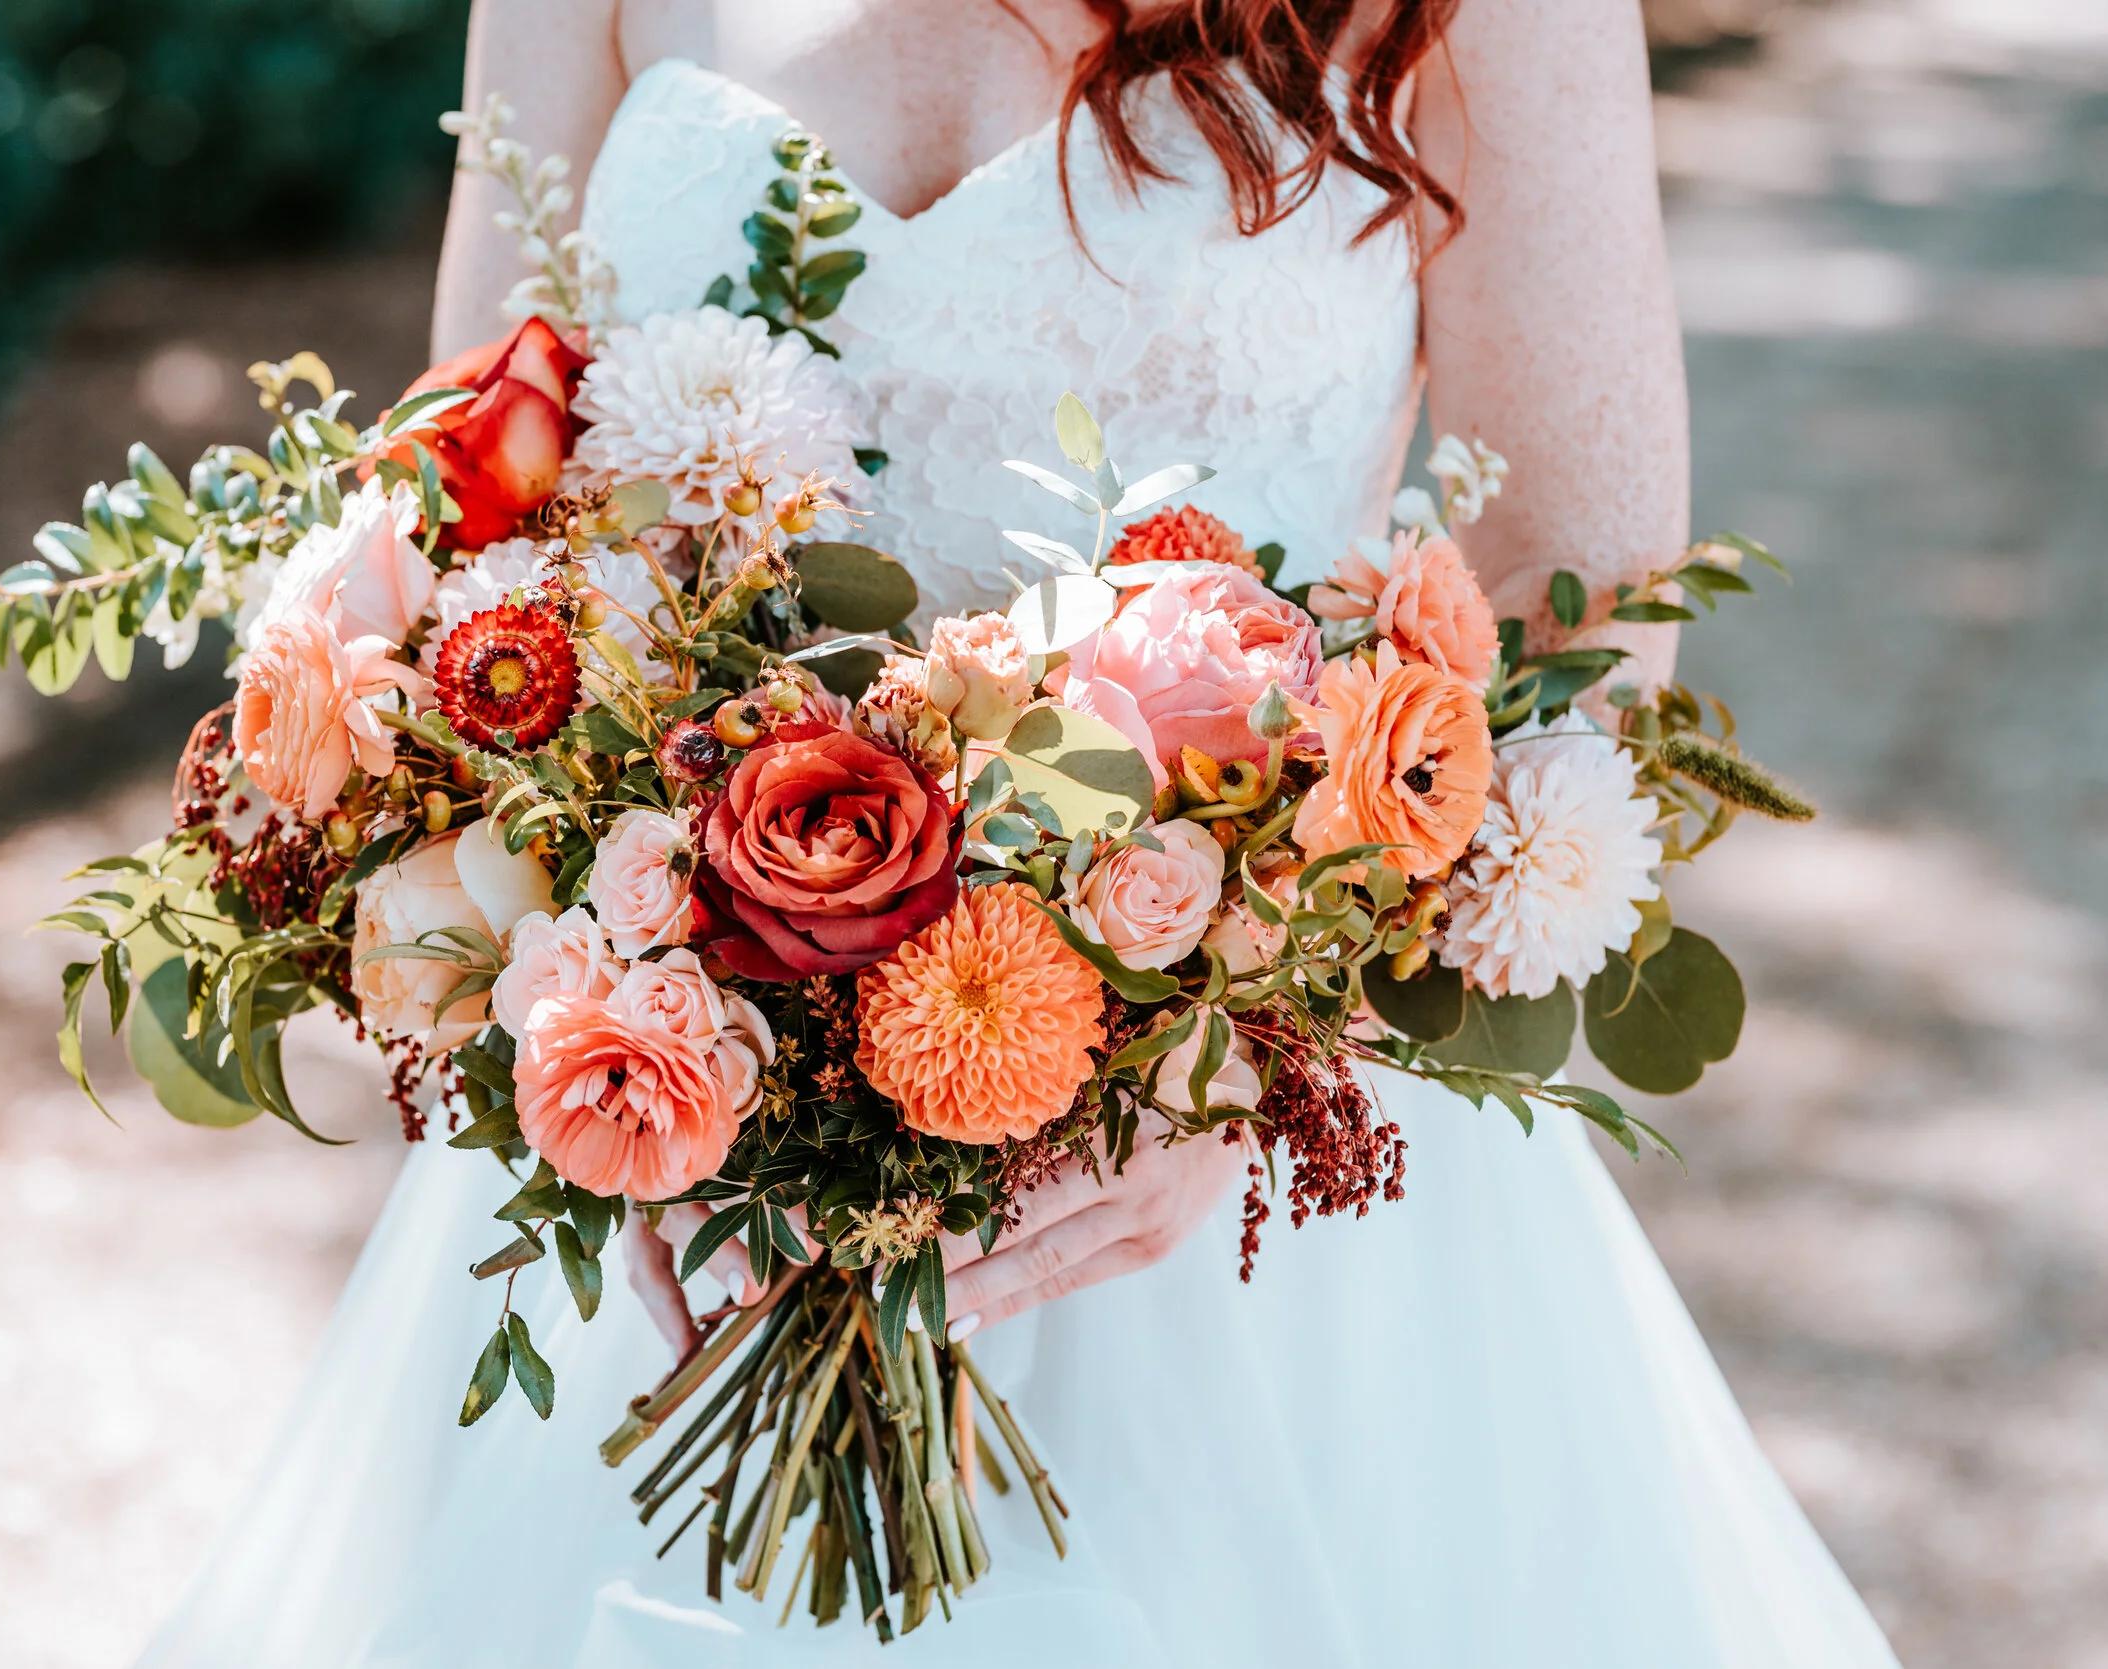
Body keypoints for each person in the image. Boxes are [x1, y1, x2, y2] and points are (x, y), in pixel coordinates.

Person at [139, 2, 1904, 1663]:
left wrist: (1251, 1041)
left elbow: (1583, 609)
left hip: (1247, 1185)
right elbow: (485, 488)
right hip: (687, 1116)